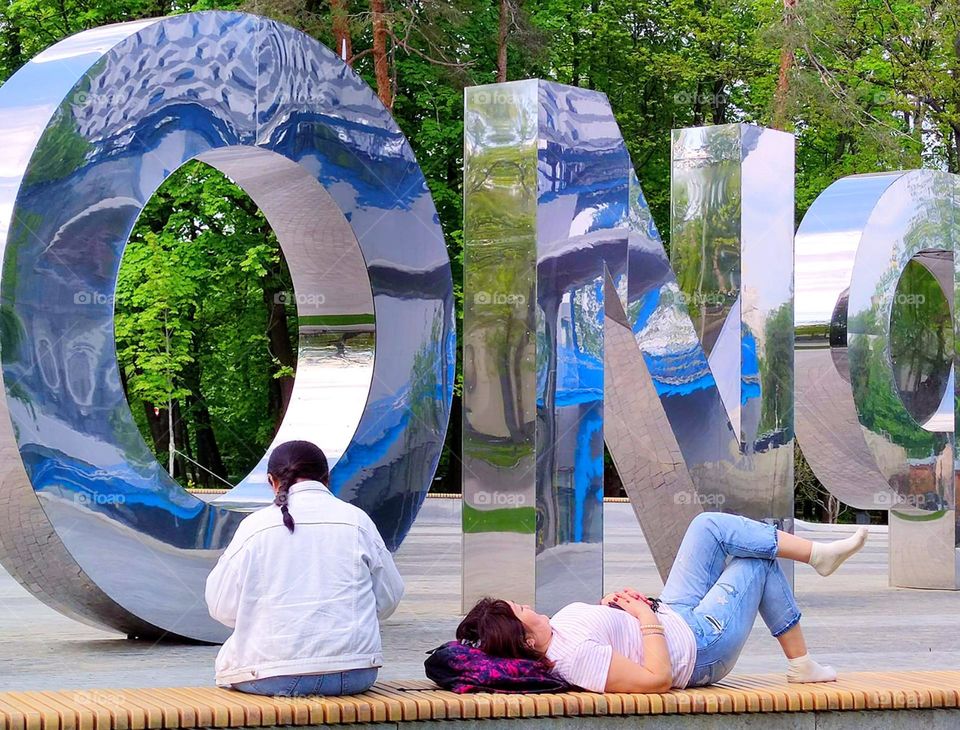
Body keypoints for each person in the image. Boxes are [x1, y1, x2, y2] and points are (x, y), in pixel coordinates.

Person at [458, 512, 869, 693]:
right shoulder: (573, 657)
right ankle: (801, 664)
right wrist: (641, 615)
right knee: (755, 565)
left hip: (672, 613)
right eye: (521, 611)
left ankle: (817, 554)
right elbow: (656, 680)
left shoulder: (561, 632)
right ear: (526, 641)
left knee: (705, 525)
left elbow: (619, 640)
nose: (528, 606)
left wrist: (616, 607)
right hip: (700, 647)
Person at [205, 440, 404, 697]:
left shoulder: (255, 527)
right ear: (327, 478)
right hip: (354, 673)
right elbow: (389, 599)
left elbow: (221, 606)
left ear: (271, 481)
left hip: (270, 675)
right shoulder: (358, 521)